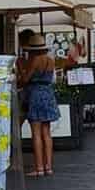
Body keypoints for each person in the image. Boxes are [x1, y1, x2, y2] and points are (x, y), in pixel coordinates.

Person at [16, 30, 60, 177]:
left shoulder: (34, 61)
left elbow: (25, 80)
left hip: (35, 94)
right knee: (47, 133)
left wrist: (21, 69)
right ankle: (49, 167)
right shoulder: (50, 60)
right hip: (48, 94)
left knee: (36, 133)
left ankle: (39, 168)